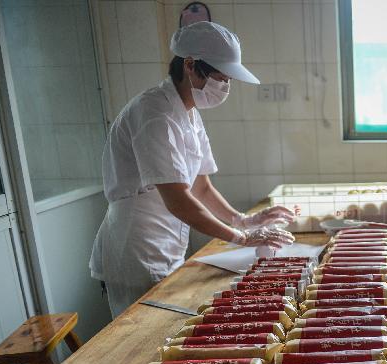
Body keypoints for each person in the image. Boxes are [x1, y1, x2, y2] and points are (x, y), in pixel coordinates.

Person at [90, 21, 295, 318]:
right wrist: (240, 238)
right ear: (190, 65)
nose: (225, 87)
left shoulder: (188, 112)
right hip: (137, 246)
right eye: (220, 77)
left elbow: (201, 187)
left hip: (165, 242)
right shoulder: (154, 114)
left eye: (228, 80)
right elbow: (179, 200)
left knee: (165, 327)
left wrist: (243, 220)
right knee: (142, 333)